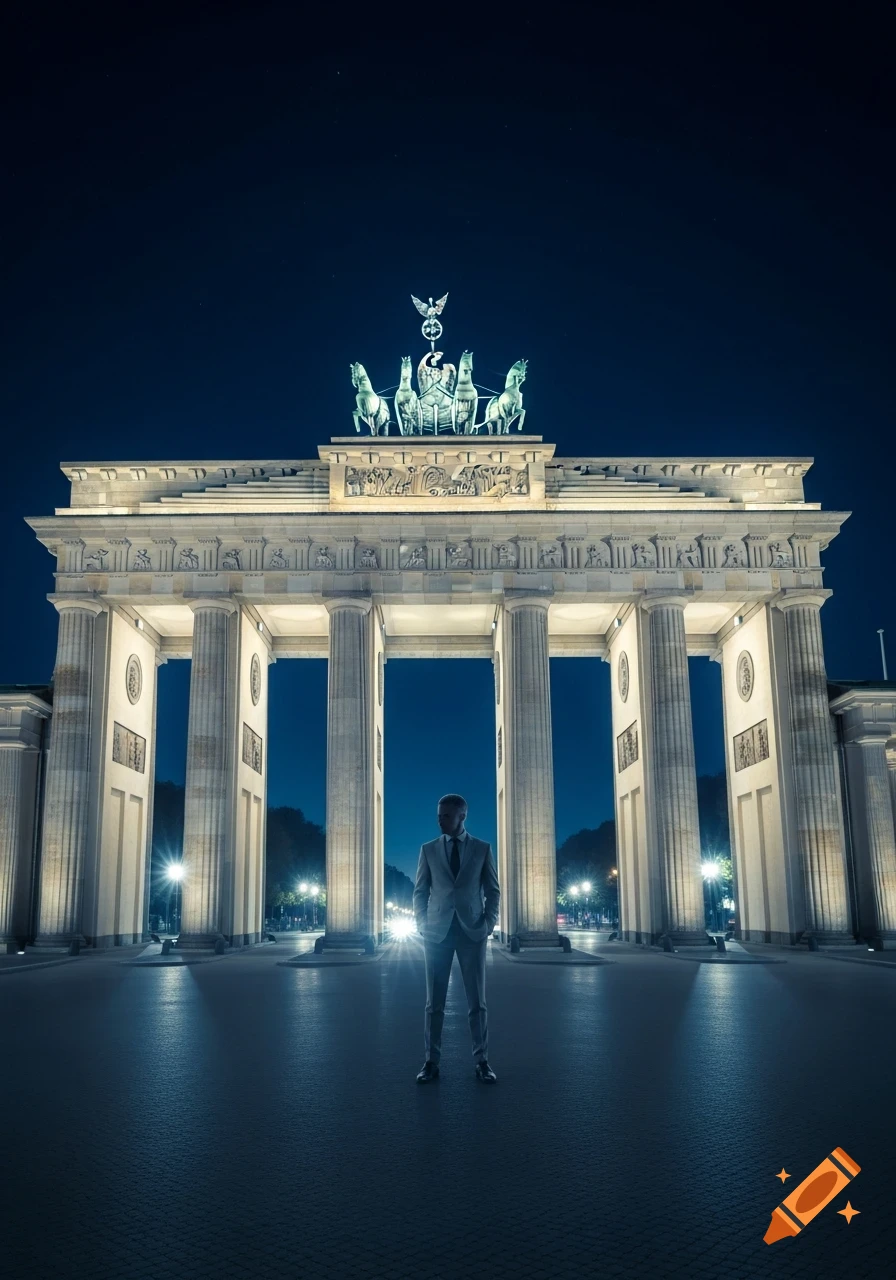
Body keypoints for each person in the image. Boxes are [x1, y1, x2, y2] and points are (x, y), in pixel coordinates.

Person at [413, 793, 500, 1084]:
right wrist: (421, 924)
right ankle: (430, 1061)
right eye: (438, 815)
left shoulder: (482, 849)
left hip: (472, 932)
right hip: (436, 933)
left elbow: (493, 890)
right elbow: (420, 891)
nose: (440, 820)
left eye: (446, 816)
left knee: (477, 1002)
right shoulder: (427, 850)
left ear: (462, 816)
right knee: (432, 1003)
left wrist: (488, 923)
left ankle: (482, 1061)